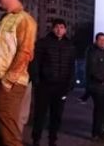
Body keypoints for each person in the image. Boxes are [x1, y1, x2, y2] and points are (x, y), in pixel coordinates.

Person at [0, 0, 37, 146]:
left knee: (9, 133)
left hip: (11, 83)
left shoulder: (25, 20)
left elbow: (25, 53)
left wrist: (7, 82)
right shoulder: (4, 19)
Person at [30, 18, 76, 146]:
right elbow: (35, 62)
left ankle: (52, 140)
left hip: (61, 87)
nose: (59, 29)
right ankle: (36, 140)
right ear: (52, 28)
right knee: (40, 115)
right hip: (44, 86)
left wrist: (71, 82)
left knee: (57, 115)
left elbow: (72, 65)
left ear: (65, 29)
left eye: (62, 27)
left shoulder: (70, 45)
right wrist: (36, 80)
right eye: (57, 27)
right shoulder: (43, 43)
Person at [86, 32, 104, 142]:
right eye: (100, 40)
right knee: (99, 111)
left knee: (102, 111)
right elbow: (92, 69)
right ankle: (96, 133)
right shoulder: (94, 52)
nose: (103, 42)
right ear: (96, 41)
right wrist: (101, 80)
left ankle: (99, 132)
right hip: (98, 87)